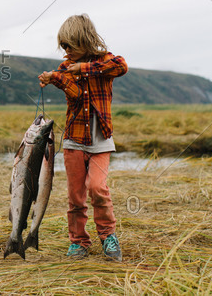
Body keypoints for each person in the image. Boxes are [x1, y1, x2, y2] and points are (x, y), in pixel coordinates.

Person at [38, 14, 128, 261]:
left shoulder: (105, 60)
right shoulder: (66, 67)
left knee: (98, 188)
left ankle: (108, 236)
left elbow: (122, 66)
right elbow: (76, 95)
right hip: (74, 141)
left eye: (70, 45)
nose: (66, 51)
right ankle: (78, 242)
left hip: (101, 142)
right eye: (63, 46)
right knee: (76, 196)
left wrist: (86, 68)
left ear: (85, 40)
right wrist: (55, 78)